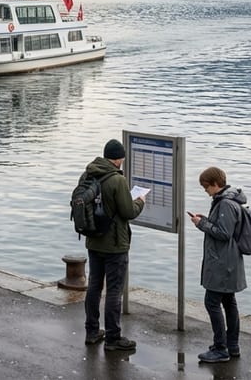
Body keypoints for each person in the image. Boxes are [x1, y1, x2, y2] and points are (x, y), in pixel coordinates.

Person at [80, 139, 146, 351]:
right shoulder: (117, 181)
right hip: (115, 244)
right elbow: (128, 212)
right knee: (114, 291)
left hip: (93, 240)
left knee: (94, 286)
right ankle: (113, 338)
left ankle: (91, 331)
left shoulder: (88, 173)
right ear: (118, 159)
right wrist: (140, 201)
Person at [189, 166, 247, 363]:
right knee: (229, 302)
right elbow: (224, 228)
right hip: (229, 261)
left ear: (215, 184)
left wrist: (201, 224)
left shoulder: (225, 204)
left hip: (222, 263)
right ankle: (232, 346)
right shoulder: (229, 201)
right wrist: (205, 220)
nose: (205, 191)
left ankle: (221, 348)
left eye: (206, 187)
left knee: (212, 302)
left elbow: (223, 233)